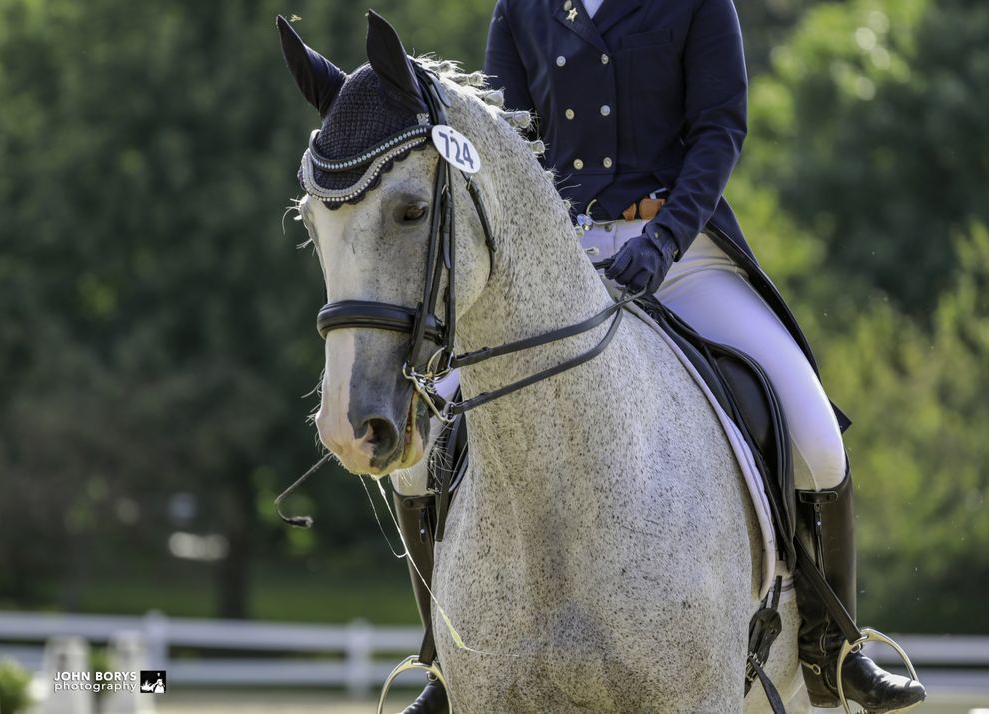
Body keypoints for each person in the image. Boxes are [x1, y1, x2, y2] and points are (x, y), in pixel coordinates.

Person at [393, 1, 928, 713]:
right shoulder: (523, 9)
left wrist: (666, 237)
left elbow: (719, 131)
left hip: (684, 253)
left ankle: (836, 645)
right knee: (415, 450)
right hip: (558, 264)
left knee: (815, 436)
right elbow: (506, 150)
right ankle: (443, 658)